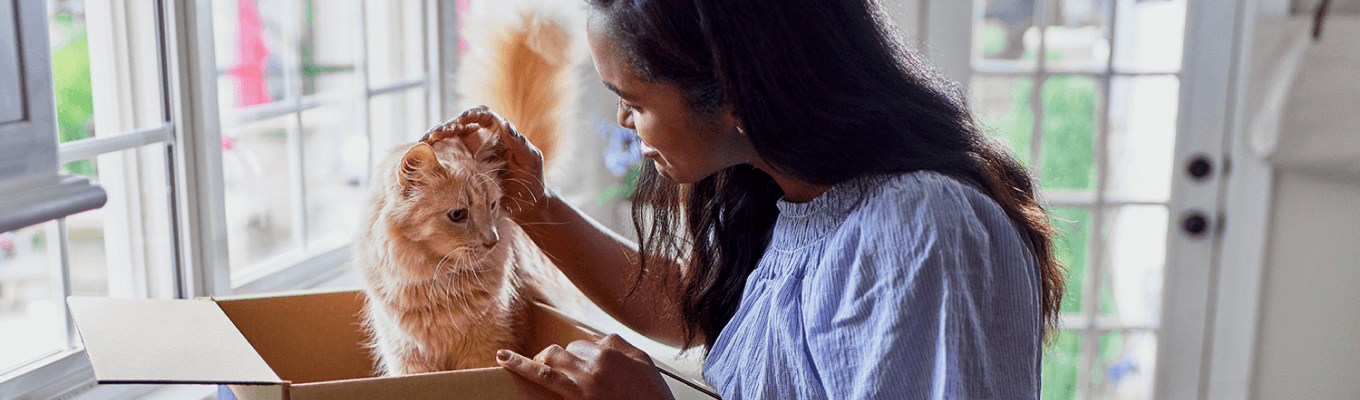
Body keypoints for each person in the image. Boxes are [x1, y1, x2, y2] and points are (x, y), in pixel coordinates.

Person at [427, 0, 1064, 398]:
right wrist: (532, 200)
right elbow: (700, 307)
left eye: (636, 100)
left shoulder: (921, 230)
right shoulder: (785, 193)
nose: (623, 120)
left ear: (733, 91)